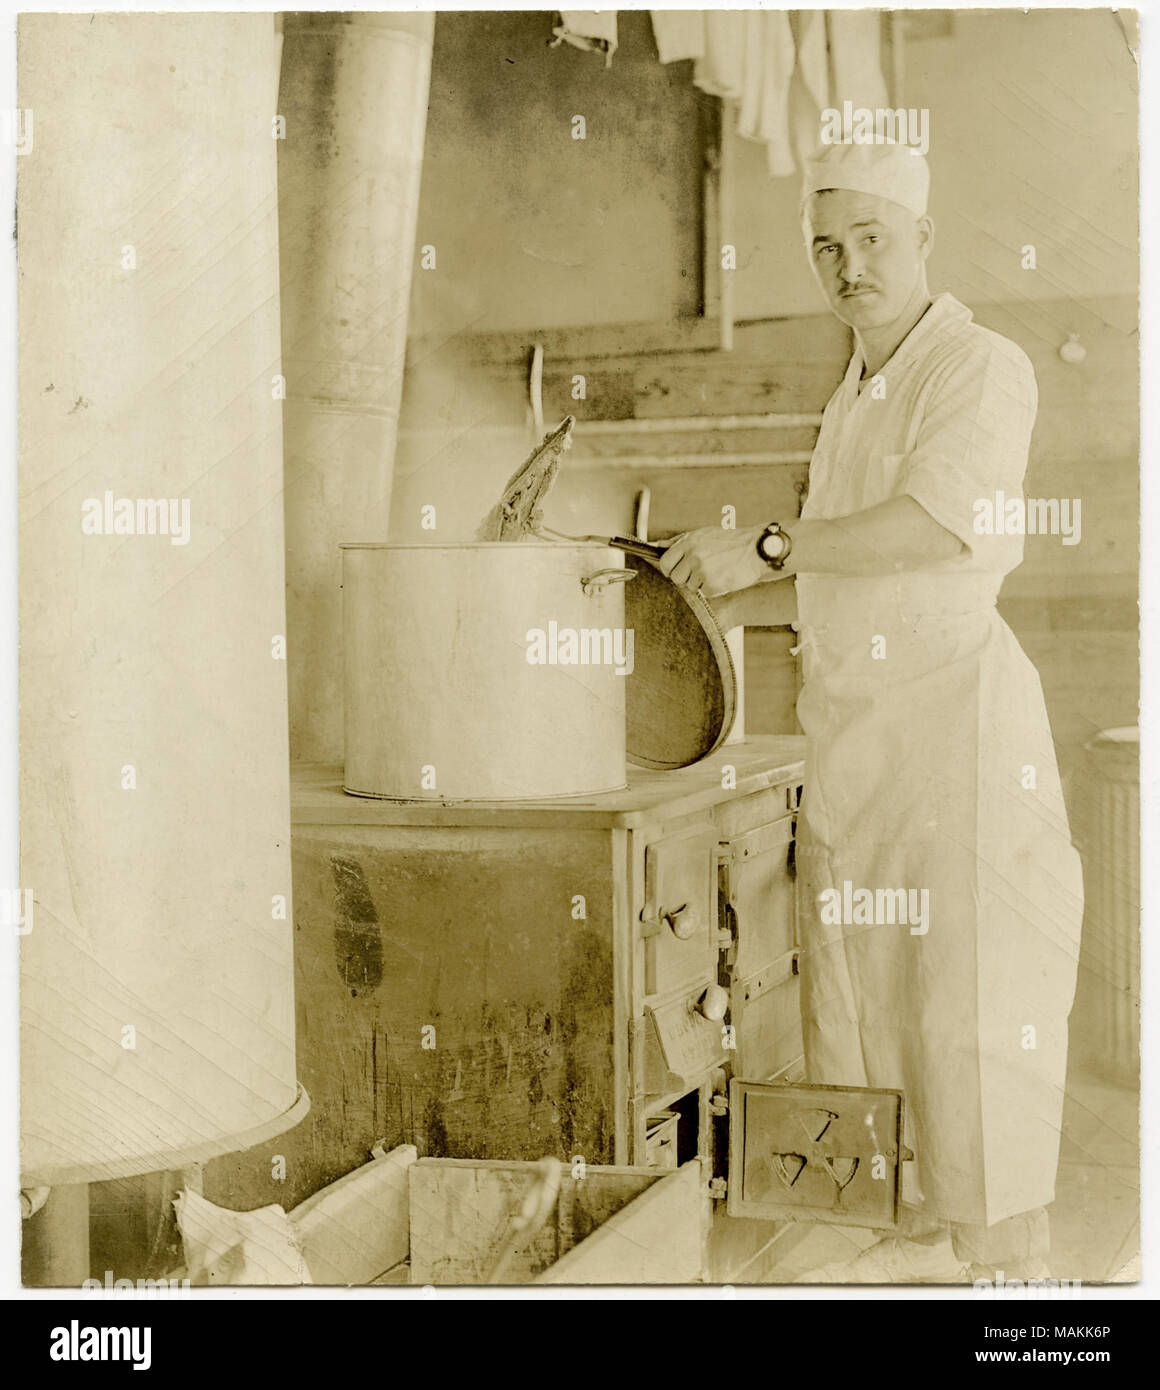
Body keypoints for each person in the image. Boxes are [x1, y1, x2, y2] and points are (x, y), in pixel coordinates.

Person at [658, 140, 1084, 1283]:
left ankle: (1014, 1294)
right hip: (860, 746)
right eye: (825, 246)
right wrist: (717, 579)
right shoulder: (851, 391)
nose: (848, 267)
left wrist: (763, 541)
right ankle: (918, 1263)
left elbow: (937, 527)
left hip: (954, 745)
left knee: (968, 1028)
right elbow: (835, 566)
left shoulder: (977, 366)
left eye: (871, 240)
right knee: (871, 1031)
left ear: (922, 241)